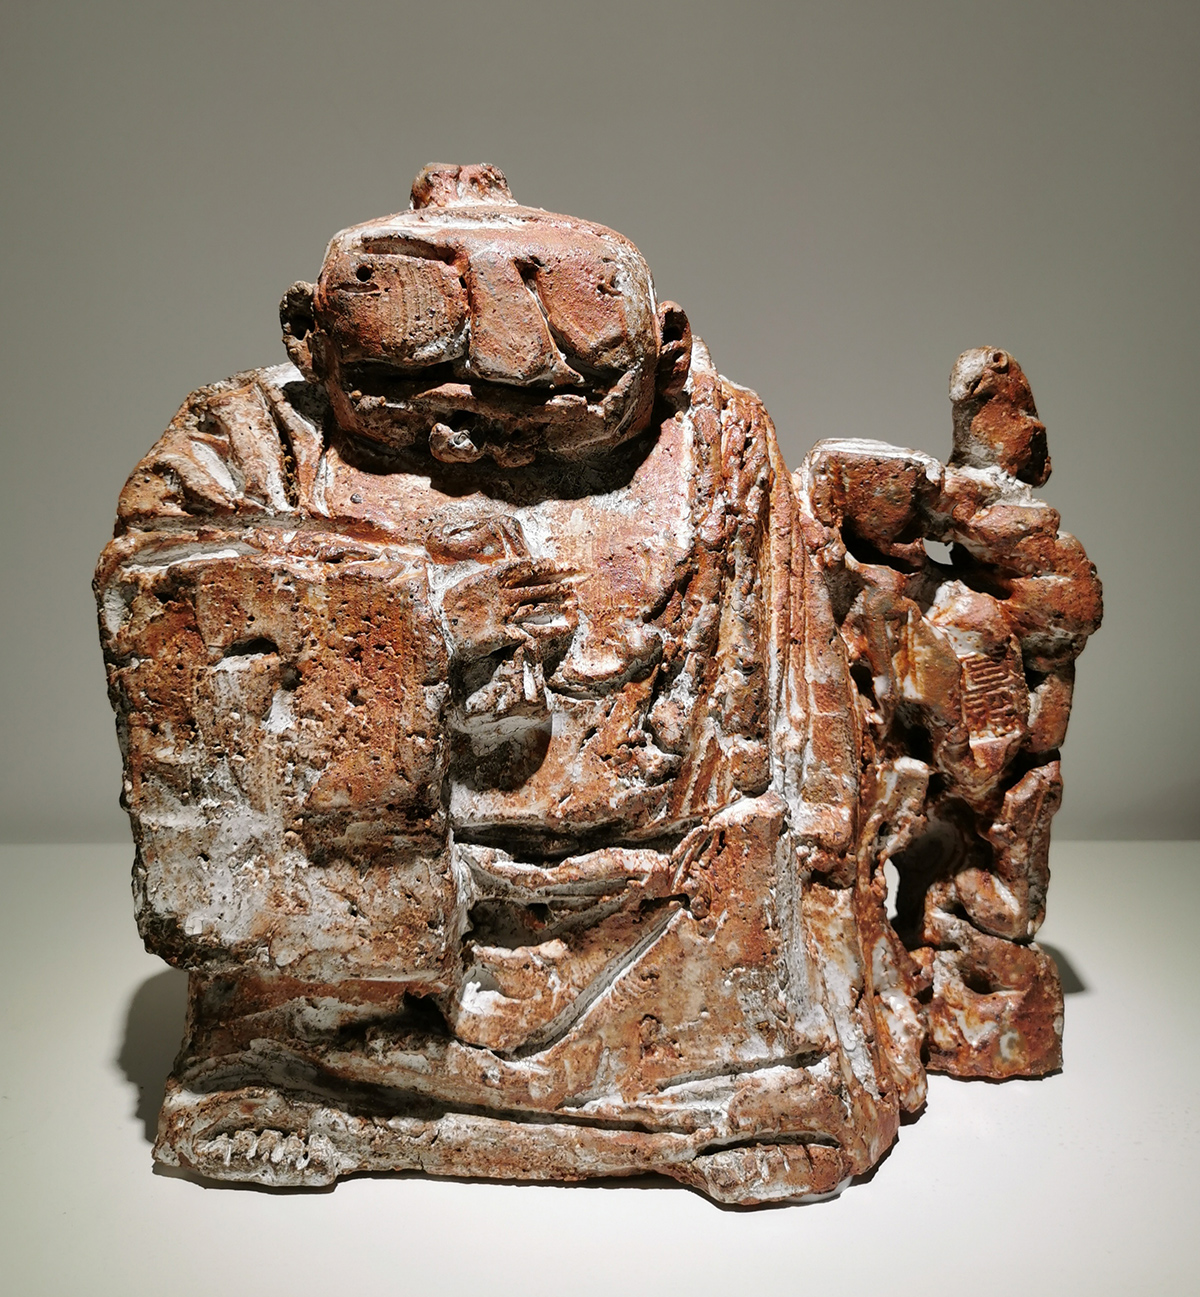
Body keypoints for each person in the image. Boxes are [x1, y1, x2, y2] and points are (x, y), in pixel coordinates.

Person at [94, 165, 1100, 1203]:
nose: (492, 400)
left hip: (666, 908)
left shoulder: (714, 444)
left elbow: (795, 716)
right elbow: (166, 602)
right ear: (309, 339)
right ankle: (292, 1078)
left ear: (666, 351)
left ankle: (739, 1090)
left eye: (565, 363)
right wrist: (419, 622)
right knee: (304, 1013)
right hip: (388, 923)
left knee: (745, 958)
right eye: (425, 354)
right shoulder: (255, 442)